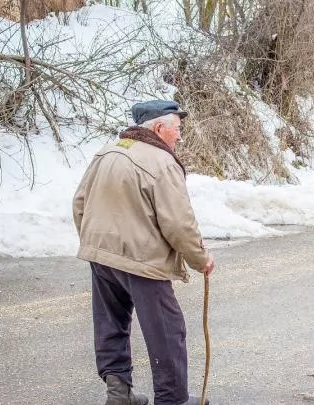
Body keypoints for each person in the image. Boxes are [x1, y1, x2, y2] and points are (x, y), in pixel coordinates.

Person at [73, 100, 214, 405]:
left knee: (111, 323)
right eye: (177, 129)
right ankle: (172, 400)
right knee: (167, 331)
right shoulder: (161, 163)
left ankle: (118, 393)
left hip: (101, 256)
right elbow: (179, 223)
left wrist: (95, 242)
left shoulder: (107, 152)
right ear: (159, 127)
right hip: (141, 261)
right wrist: (200, 258)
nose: (179, 137)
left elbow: (79, 203)